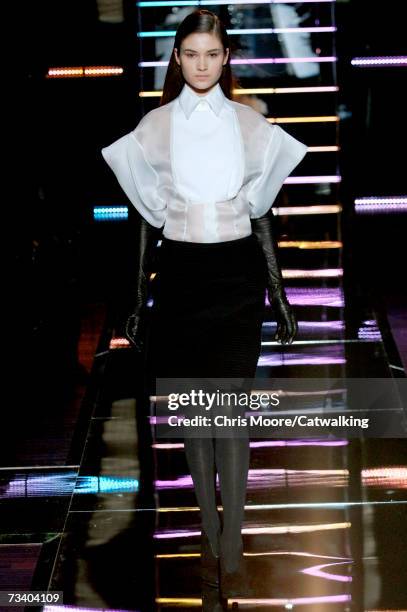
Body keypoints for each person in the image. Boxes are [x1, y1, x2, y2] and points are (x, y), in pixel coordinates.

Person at [101, 9, 307, 599]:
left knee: (232, 418)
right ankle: (211, 536)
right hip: (184, 275)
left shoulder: (250, 126)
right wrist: (138, 296)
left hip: (236, 277)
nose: (201, 64)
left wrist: (280, 292)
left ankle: (232, 543)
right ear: (176, 57)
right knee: (197, 418)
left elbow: (262, 212)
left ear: (226, 59)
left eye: (211, 54)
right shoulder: (156, 127)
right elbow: (146, 218)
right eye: (190, 54)